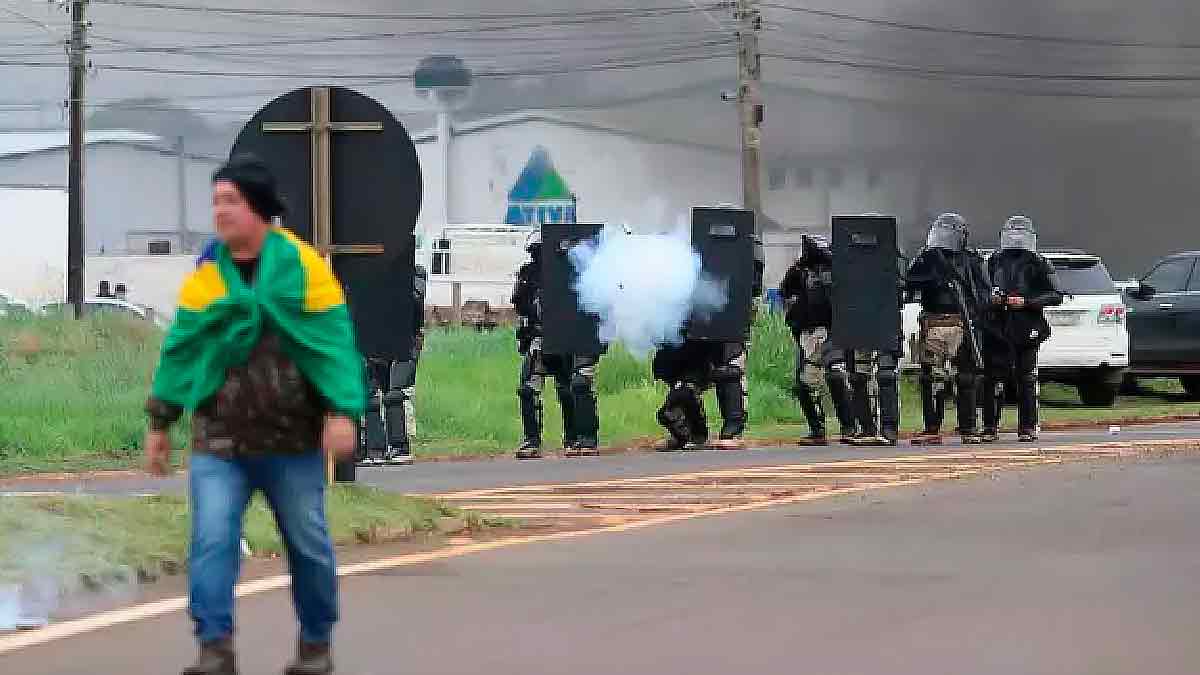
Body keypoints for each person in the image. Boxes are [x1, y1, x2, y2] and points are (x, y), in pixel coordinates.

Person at [143, 155, 364, 675]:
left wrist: (341, 410)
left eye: (231, 200)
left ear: (259, 209)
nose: (220, 210)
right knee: (213, 540)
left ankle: (315, 645)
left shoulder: (304, 268)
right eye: (216, 200)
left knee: (308, 545)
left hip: (292, 442)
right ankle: (214, 648)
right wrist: (160, 421)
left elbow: (332, 343)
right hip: (219, 441)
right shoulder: (207, 276)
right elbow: (182, 350)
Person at [512, 230, 602, 459]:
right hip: (543, 337)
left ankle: (583, 438)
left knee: (577, 386)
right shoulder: (529, 274)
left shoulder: (584, 273)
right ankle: (531, 440)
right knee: (527, 388)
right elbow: (522, 306)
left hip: (577, 337)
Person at [905, 213, 992, 445]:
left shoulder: (971, 260)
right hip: (933, 321)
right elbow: (909, 282)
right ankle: (932, 428)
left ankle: (969, 428)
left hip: (963, 322)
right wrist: (934, 276)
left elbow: (983, 294)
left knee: (966, 378)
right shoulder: (926, 258)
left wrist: (975, 317)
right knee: (932, 377)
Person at [981, 216, 1064, 442]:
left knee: (1026, 377)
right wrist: (992, 299)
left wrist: (1026, 302)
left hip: (1027, 326)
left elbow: (1056, 295)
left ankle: (1028, 425)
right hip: (997, 326)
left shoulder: (1039, 262)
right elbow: (979, 291)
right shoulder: (993, 261)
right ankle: (990, 426)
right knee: (993, 378)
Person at [779, 235, 855, 444]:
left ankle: (849, 427)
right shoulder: (798, 272)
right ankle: (817, 430)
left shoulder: (838, 271)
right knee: (804, 383)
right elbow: (784, 291)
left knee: (837, 377)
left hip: (833, 332)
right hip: (808, 334)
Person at [361, 263, 426, 466]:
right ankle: (374, 448)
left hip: (404, 342)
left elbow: (416, 300)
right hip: (374, 341)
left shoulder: (413, 274)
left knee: (394, 394)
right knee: (370, 396)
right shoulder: (364, 274)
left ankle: (399, 446)